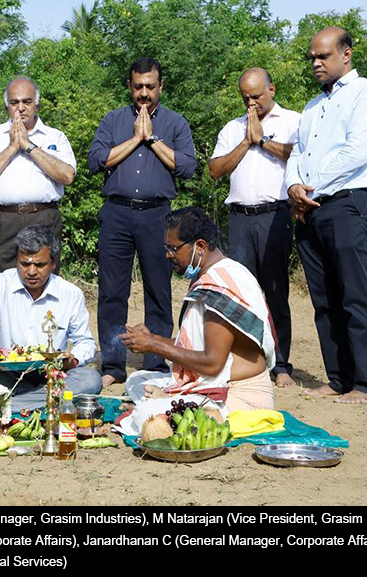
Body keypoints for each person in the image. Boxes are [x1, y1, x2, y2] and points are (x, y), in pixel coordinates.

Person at [285, 27, 367, 405]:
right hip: (309, 209)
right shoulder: (313, 106)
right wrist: (293, 186)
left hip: (348, 203)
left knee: (355, 295)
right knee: (325, 298)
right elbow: (297, 152)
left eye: (323, 56)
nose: (316, 63)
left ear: (346, 54)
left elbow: (357, 151)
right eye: (312, 57)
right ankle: (339, 377)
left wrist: (308, 185)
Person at [115, 207, 276, 436]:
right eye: (166, 248)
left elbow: (212, 363)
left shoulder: (218, 287)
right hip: (215, 386)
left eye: (173, 248)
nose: (167, 255)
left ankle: (178, 405)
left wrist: (153, 346)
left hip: (238, 397)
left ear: (199, 246)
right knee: (137, 381)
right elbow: (198, 346)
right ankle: (174, 401)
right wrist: (153, 339)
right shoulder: (216, 274)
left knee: (143, 415)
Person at [88, 57, 196, 388]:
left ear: (160, 86)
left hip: (157, 216)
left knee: (158, 290)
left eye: (150, 86)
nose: (144, 93)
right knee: (112, 291)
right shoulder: (113, 120)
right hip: (117, 212)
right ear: (130, 87)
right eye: (138, 87)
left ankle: (155, 361)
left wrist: (152, 139)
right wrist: (135, 139)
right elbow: (96, 161)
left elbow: (187, 168)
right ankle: (113, 363)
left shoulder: (176, 123)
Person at [209, 68, 300, 388]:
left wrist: (263, 140)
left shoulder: (293, 121)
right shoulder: (232, 128)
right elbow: (215, 170)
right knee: (240, 293)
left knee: (276, 291)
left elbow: (301, 156)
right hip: (239, 218)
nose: (251, 103)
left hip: (274, 216)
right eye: (245, 97)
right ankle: (244, 359)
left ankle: (282, 365)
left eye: (257, 96)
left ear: (272, 89)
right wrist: (246, 142)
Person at [0, 226, 102, 411]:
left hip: (51, 375)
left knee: (91, 379)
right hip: (5, 373)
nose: (31, 271)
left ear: (53, 263)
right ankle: (38, 400)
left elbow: (85, 342)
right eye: (24, 264)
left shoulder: (70, 293)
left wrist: (73, 361)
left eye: (39, 265)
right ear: (17, 260)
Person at [0, 77, 76, 275]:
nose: (20, 108)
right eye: (14, 102)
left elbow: (67, 176)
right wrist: (12, 147)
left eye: (27, 101)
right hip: (2, 221)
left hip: (43, 218)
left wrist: (28, 146)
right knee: (1, 285)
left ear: (37, 103)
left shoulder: (54, 136)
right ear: (6, 106)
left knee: (43, 284)